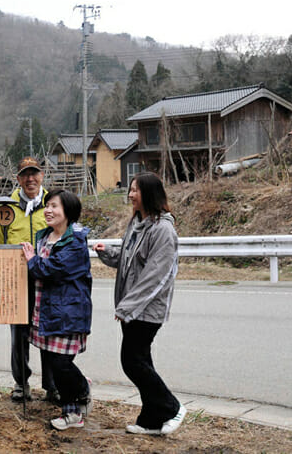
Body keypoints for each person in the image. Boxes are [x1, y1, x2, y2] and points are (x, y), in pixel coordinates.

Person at [93, 172, 186, 436]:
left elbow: (155, 277)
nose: (130, 194)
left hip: (146, 310)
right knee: (141, 360)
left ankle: (172, 407)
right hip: (132, 308)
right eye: (131, 189)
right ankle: (151, 420)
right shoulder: (137, 223)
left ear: (149, 194)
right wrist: (107, 252)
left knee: (132, 361)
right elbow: (128, 259)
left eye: (135, 190)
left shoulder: (163, 230)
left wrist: (127, 308)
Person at [21, 189, 93, 431]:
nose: (49, 211)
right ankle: (75, 404)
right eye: (47, 205)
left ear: (68, 212)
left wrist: (31, 259)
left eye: (55, 206)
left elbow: (52, 270)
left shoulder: (75, 241)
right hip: (46, 310)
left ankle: (79, 396)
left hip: (66, 312)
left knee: (61, 364)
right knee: (55, 363)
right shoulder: (45, 236)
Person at [0, 156, 57, 403]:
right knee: (19, 335)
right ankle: (21, 383)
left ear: (42, 175)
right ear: (18, 178)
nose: (30, 179)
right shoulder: (6, 207)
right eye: (25, 174)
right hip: (17, 280)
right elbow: (1, 244)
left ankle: (52, 385)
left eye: (35, 173)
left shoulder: (53, 202)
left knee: (48, 332)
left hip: (47, 279)